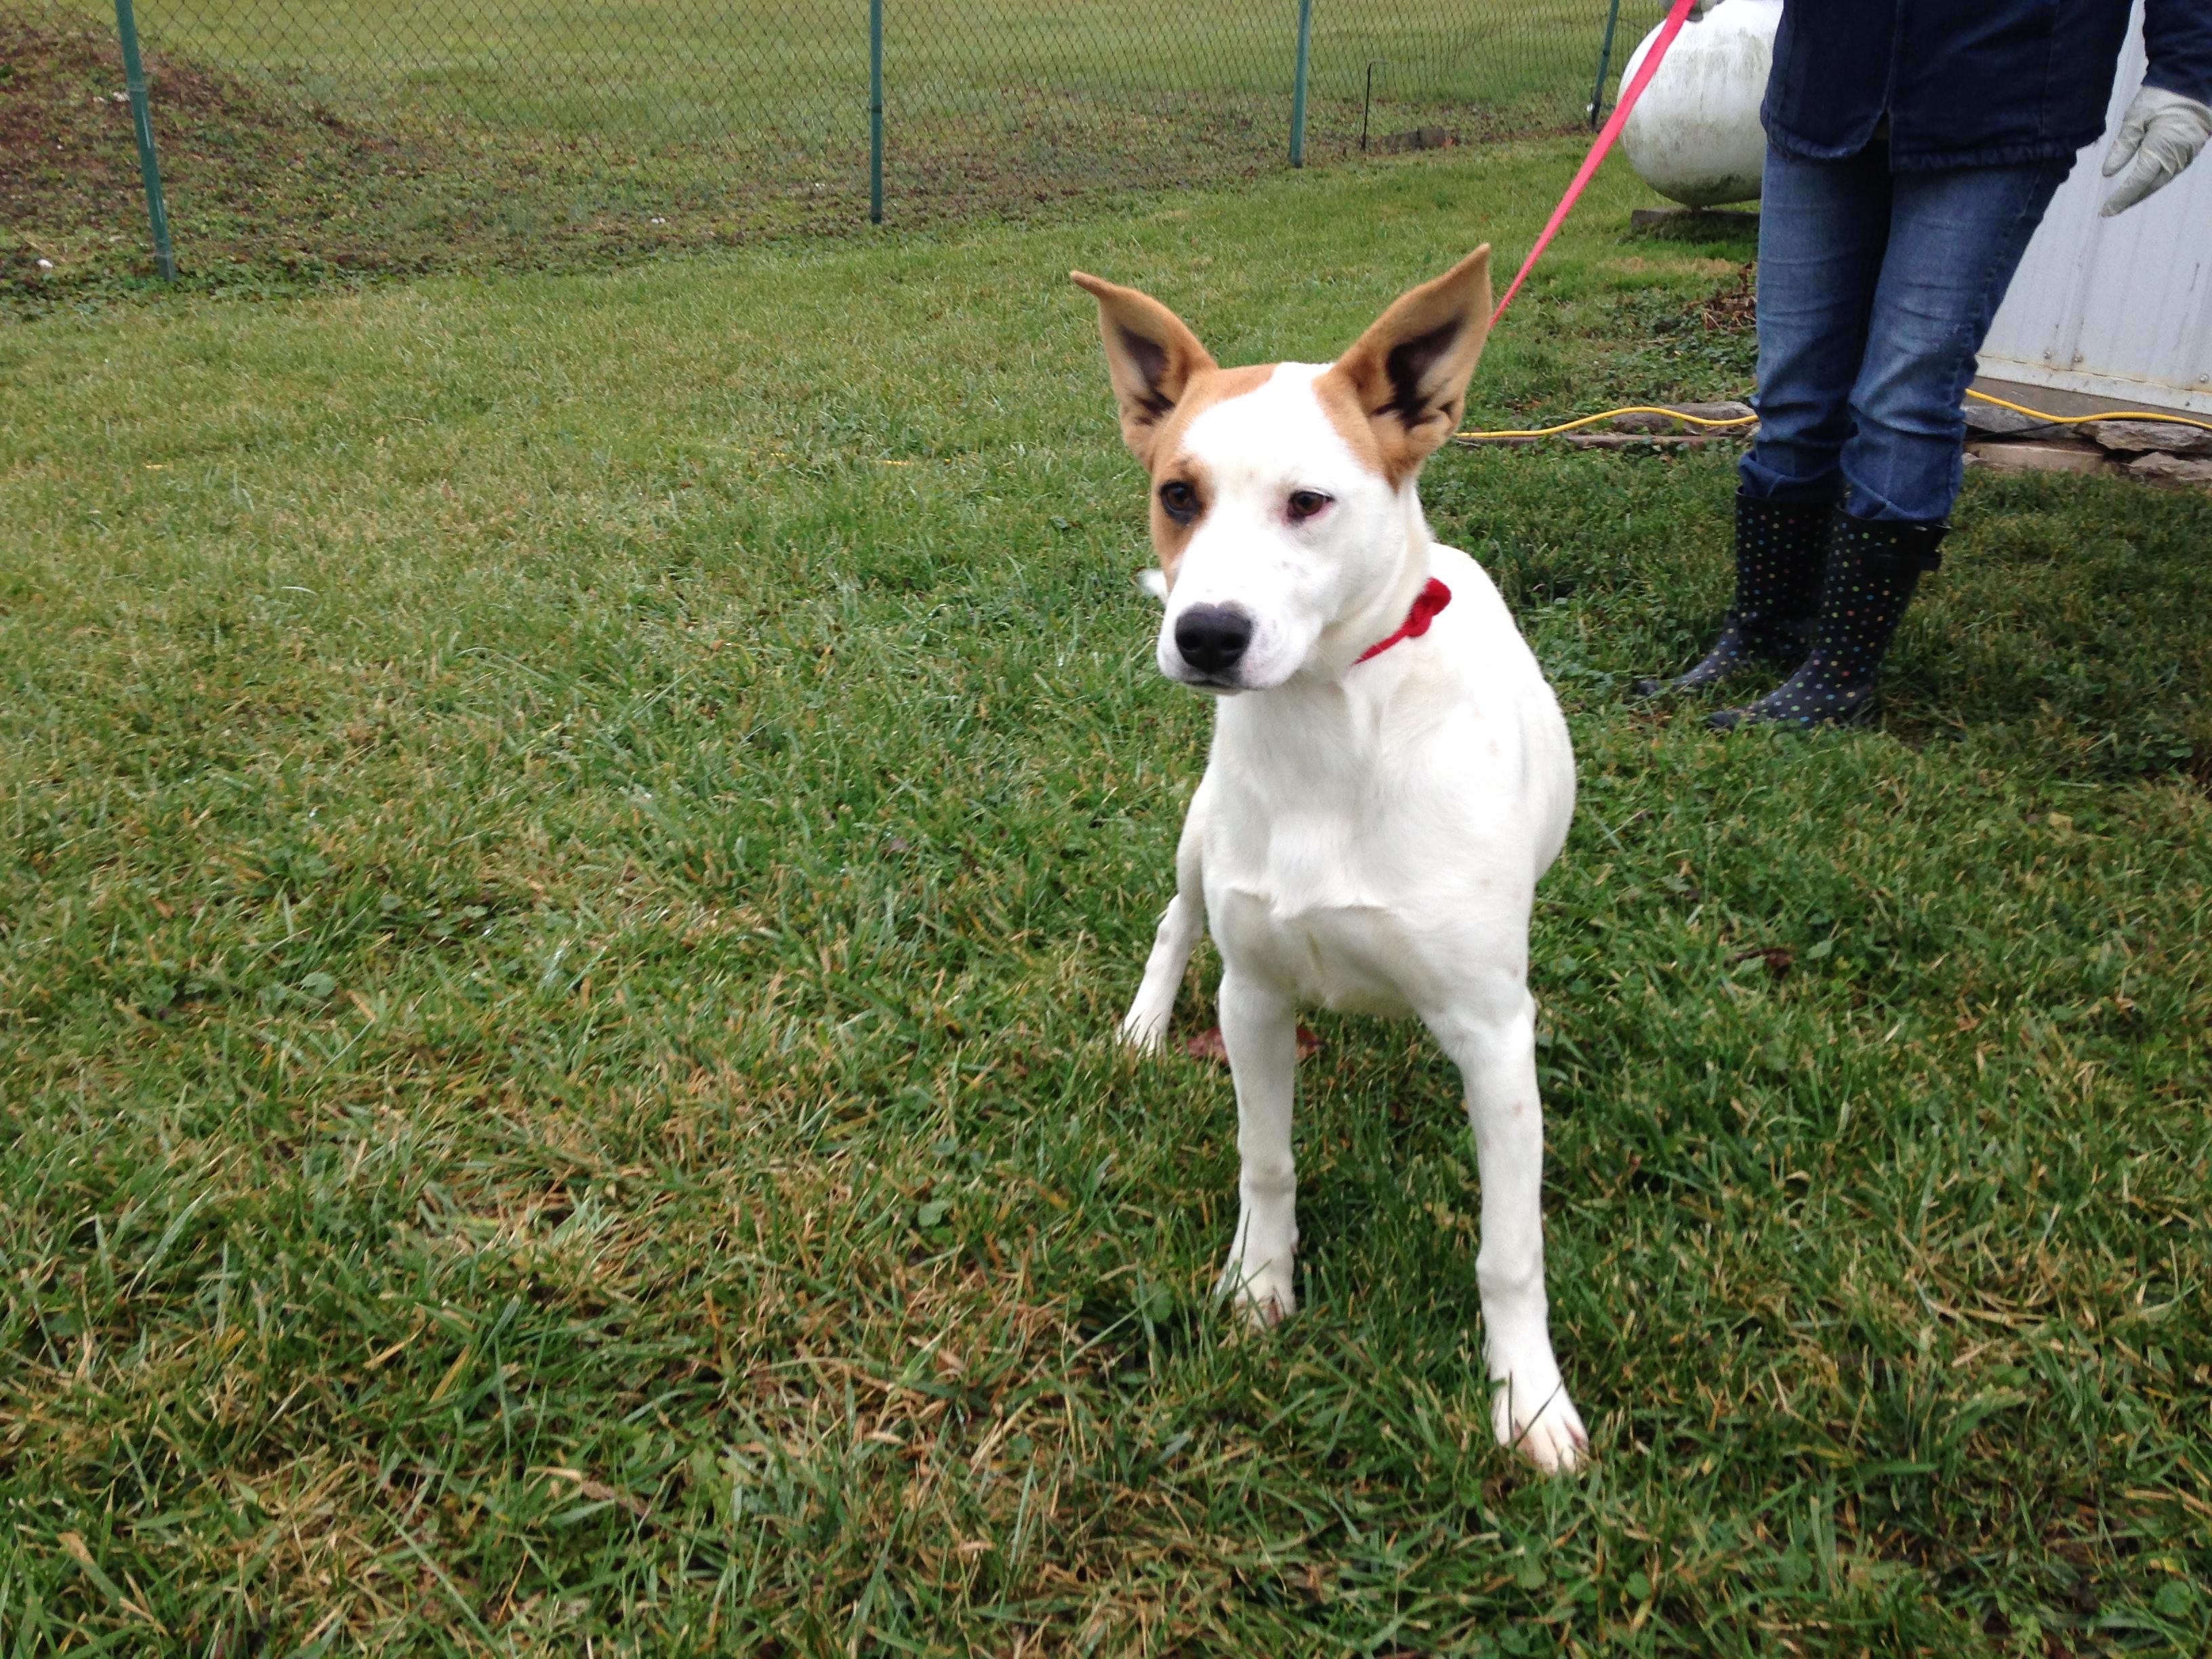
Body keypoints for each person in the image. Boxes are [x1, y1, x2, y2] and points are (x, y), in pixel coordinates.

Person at [1641, 0, 2212, 729]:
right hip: (1829, 81)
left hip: (2002, 84)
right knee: (1793, 393)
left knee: (1904, 393)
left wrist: (2187, 72)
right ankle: (1765, 631)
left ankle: (1840, 675)